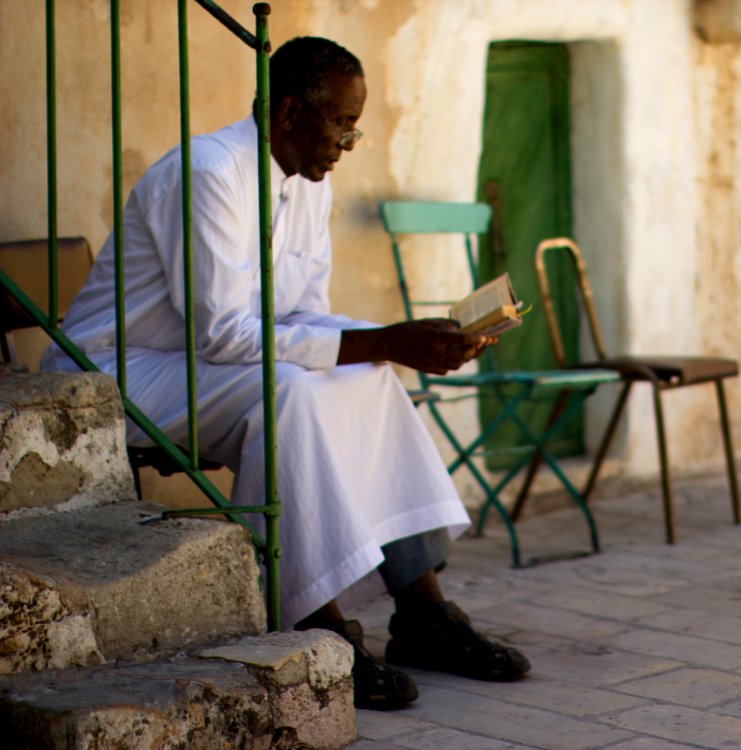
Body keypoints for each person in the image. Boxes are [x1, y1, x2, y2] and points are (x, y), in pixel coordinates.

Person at [41, 36, 529, 710]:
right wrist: (381, 338)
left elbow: (302, 315)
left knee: (373, 377)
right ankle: (318, 626)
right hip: (118, 373)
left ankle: (422, 612)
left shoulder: (307, 183)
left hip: (199, 363)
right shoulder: (210, 172)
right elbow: (227, 333)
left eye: (355, 126)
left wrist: (401, 341)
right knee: (291, 392)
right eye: (342, 123)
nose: (349, 142)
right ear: (292, 113)